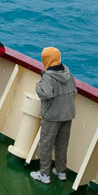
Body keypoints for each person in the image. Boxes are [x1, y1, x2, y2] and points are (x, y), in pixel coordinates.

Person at [30, 47, 76, 184]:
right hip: (67, 114)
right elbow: (74, 88)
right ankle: (61, 171)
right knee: (62, 144)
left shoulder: (48, 76)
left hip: (52, 115)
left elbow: (46, 94)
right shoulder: (67, 71)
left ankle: (44, 174)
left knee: (46, 145)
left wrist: (38, 86)